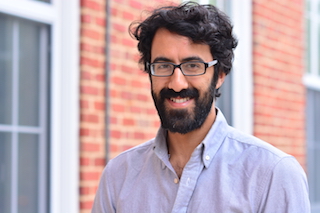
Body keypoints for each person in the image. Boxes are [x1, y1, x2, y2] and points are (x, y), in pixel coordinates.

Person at [92, 2, 310, 212]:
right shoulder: (118, 176)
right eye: (163, 66)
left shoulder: (272, 175)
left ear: (220, 75)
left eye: (193, 66)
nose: (177, 83)